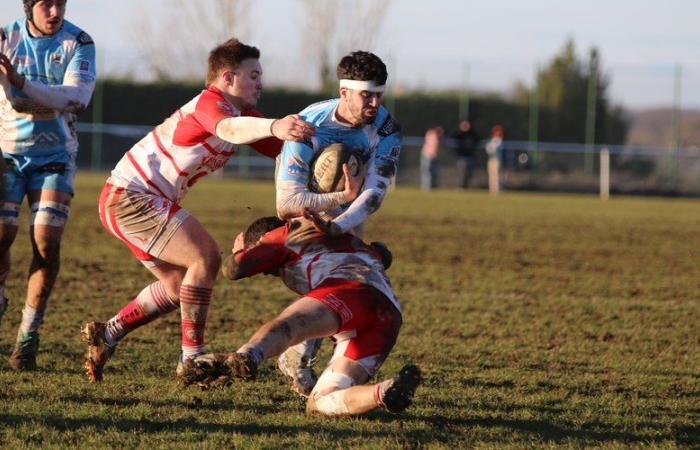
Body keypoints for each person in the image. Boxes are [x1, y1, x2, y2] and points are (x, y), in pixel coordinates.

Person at [80, 38, 315, 383]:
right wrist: (274, 125)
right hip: (131, 197)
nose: (260, 83)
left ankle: (109, 333)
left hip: (132, 200)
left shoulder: (245, 115)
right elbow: (227, 129)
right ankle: (192, 360)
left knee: (179, 287)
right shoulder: (210, 104)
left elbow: (284, 150)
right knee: (205, 257)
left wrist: (326, 153)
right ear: (226, 77)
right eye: (253, 75)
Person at [181, 215, 421, 417]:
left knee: (288, 327)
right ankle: (383, 391)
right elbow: (383, 253)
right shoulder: (338, 240)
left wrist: (241, 251)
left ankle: (249, 355)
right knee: (318, 403)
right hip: (388, 318)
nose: (266, 273)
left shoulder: (286, 234)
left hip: (350, 290)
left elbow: (232, 270)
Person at [274, 51, 402, 396]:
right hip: (307, 211)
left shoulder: (385, 127)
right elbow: (286, 204)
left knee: (349, 278)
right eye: (366, 95)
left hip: (349, 211)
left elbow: (375, 192)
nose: (374, 103)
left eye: (379, 94)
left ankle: (302, 355)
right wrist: (338, 200)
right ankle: (298, 353)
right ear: (344, 92)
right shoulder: (308, 125)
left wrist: (341, 224)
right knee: (333, 278)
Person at [0, 0, 96, 370]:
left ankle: (28, 336)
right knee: (2, 234)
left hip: (55, 157)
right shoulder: (6, 38)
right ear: (28, 6)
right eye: (45, 3)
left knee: (46, 241)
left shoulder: (79, 42)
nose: (54, 11)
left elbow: (77, 99)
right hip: (7, 155)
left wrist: (22, 83)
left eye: (60, 2)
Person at [452, 119, 480, 189]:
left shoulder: (473, 134)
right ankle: (460, 186)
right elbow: (453, 140)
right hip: (462, 157)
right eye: (464, 125)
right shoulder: (458, 134)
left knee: (469, 173)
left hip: (470, 157)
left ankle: (466, 186)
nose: (465, 127)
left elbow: (478, 139)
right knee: (461, 173)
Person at [420, 126, 443, 191]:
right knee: (428, 172)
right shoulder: (435, 136)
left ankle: (429, 187)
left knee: (429, 172)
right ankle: (428, 187)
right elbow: (435, 146)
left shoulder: (430, 135)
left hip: (427, 155)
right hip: (430, 156)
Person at [486, 125, 504, 194]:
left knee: (497, 175)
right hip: (491, 159)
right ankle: (492, 190)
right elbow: (489, 149)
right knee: (491, 175)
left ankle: (497, 190)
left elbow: (493, 149)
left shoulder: (499, 141)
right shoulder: (492, 140)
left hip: (497, 160)